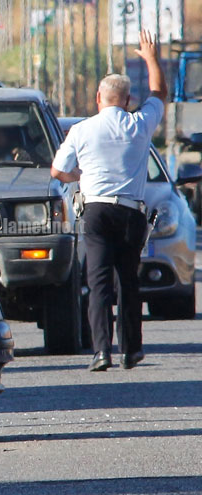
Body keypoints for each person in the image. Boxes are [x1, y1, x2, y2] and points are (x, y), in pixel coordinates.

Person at [51, 30, 167, 372]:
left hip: (96, 211)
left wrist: (79, 178)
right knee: (128, 281)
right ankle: (131, 350)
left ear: (98, 98)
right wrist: (150, 59)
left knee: (98, 283)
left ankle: (101, 351)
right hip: (131, 213)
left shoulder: (82, 130)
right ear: (128, 101)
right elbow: (159, 93)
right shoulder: (139, 125)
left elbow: (58, 171)